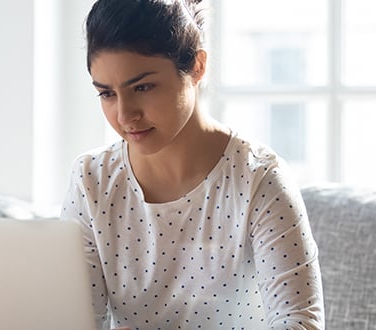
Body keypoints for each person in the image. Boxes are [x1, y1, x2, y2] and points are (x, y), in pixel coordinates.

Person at [60, 0, 325, 329]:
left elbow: (300, 323)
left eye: (142, 87)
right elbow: (77, 320)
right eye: (106, 94)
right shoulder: (91, 180)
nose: (125, 116)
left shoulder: (259, 178)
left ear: (197, 66)